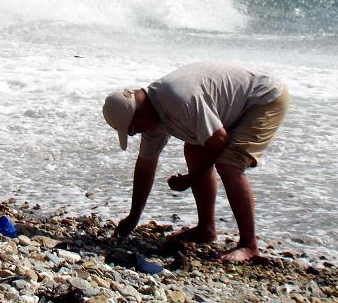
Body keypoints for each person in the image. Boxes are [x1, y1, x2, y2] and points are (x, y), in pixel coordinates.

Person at [102, 61, 289, 263]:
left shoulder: (180, 100)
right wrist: (133, 216)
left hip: (264, 98)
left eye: (131, 130)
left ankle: (249, 245)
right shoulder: (150, 117)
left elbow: (218, 139)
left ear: (139, 113)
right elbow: (146, 164)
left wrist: (191, 179)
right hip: (238, 102)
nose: (135, 134)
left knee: (229, 164)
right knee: (194, 149)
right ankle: (205, 229)